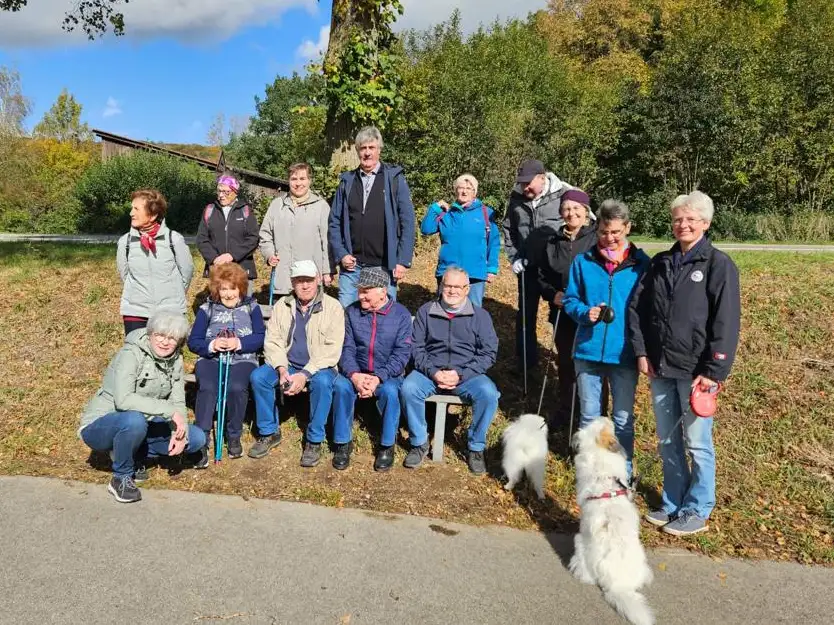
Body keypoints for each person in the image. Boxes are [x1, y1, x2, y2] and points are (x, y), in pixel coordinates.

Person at [629, 190, 740, 537]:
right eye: (678, 219)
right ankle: (673, 501)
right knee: (667, 441)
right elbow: (637, 309)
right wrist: (641, 352)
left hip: (695, 373)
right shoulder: (660, 263)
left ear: (705, 224)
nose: (684, 224)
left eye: (691, 219)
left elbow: (726, 322)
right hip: (661, 367)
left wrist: (713, 371)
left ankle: (697, 508)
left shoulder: (719, 265)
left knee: (698, 444)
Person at [562, 200, 650, 478]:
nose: (609, 238)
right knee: (589, 417)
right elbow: (570, 299)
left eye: (615, 232)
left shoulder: (642, 265)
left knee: (622, 419)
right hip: (587, 351)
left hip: (623, 353)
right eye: (603, 232)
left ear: (627, 228)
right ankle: (590, 470)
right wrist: (583, 312)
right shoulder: (583, 262)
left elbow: (649, 309)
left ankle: (622, 471)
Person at [78, 312, 205, 503]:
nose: (164, 342)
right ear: (150, 334)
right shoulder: (130, 354)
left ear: (179, 342)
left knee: (196, 438)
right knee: (133, 420)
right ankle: (121, 477)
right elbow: (124, 400)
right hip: (103, 425)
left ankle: (133, 453)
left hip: (144, 424)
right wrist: (168, 411)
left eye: (171, 338)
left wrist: (180, 431)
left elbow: (177, 402)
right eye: (160, 335)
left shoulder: (176, 360)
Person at [400, 267, 500, 474]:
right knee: (409, 388)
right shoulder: (426, 311)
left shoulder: (480, 316)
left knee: (489, 394)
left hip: (466, 375)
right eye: (448, 286)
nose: (452, 291)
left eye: (457, 287)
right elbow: (416, 348)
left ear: (467, 289)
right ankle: (419, 442)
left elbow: (488, 353)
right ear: (440, 286)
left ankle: (475, 447)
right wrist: (434, 372)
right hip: (430, 372)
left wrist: (461, 374)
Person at [249, 260, 345, 467]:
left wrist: (305, 374)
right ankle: (269, 431)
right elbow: (273, 341)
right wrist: (282, 369)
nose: (305, 285)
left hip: (319, 366)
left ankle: (314, 439)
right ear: (292, 282)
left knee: (322, 383)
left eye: (309, 280)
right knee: (259, 377)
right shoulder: (282, 305)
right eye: (299, 280)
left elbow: (332, 349)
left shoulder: (333, 307)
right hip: (288, 362)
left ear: (318, 280)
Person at [331, 267, 413, 471]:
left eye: (366, 291)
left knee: (390, 391)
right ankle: (342, 442)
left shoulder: (401, 315)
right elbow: (346, 347)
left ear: (383, 291)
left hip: (388, 373)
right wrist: (354, 375)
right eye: (359, 290)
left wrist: (379, 377)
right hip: (356, 370)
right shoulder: (351, 312)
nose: (361, 295)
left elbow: (402, 354)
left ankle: (387, 445)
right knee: (341, 386)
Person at [187, 263, 265, 464]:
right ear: (217, 290)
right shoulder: (207, 309)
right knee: (208, 387)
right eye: (223, 289)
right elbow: (194, 341)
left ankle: (233, 435)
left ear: (240, 288)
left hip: (243, 358)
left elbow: (260, 337)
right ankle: (201, 440)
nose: (229, 294)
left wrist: (238, 343)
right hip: (211, 359)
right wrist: (212, 345)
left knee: (237, 387)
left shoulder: (251, 307)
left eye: (233, 288)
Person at [328, 126, 416, 307]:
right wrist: (341, 254)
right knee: (346, 316)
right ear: (357, 151)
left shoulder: (393, 179)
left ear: (379, 149)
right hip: (352, 266)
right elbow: (334, 222)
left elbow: (407, 220)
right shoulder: (347, 181)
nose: (367, 153)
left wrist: (402, 260)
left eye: (371, 148)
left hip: (382, 265)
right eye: (363, 148)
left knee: (382, 318)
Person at [503, 159, 575, 371]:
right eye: (522, 183)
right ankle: (526, 364)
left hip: (556, 269)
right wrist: (514, 257)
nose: (525, 187)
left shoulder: (563, 194)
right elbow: (509, 230)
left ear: (542, 178)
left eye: (529, 183)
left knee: (560, 315)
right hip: (527, 267)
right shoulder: (516, 198)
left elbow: (581, 224)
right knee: (525, 316)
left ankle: (566, 365)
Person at [536, 189, 597, 426]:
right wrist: (553, 294)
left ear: (585, 211)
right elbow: (542, 277)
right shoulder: (553, 242)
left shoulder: (595, 238)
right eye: (566, 209)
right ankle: (567, 408)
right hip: (562, 312)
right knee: (566, 363)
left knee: (591, 365)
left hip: (591, 313)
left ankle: (593, 413)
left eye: (576, 209)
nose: (571, 213)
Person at [116, 189, 194, 335]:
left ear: (152, 215)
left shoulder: (174, 239)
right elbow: (124, 275)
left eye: (136, 209)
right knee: (136, 355)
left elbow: (187, 272)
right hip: (135, 311)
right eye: (131, 208)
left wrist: (174, 294)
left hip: (170, 311)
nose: (131, 213)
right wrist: (138, 294)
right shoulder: (125, 242)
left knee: (169, 356)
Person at [420, 173, 500, 306]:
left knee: (473, 314)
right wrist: (435, 207)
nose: (464, 191)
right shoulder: (446, 213)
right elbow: (426, 229)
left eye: (469, 188)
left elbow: (494, 242)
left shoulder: (486, 213)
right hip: (447, 272)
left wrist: (492, 268)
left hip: (474, 273)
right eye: (460, 188)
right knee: (444, 311)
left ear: (475, 192)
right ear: (456, 190)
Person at [259, 162, 335, 300]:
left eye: (302, 179)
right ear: (288, 181)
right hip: (283, 279)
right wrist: (269, 254)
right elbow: (265, 235)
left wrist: (327, 271)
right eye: (294, 179)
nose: (298, 183)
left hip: (310, 281)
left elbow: (328, 242)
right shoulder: (277, 205)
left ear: (309, 180)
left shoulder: (321, 206)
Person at [196, 172, 259, 295]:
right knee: (219, 309)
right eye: (219, 191)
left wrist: (232, 255)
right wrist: (215, 259)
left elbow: (253, 238)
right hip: (217, 269)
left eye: (226, 192)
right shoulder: (210, 210)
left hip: (242, 269)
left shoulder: (245, 210)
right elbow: (201, 238)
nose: (221, 195)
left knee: (243, 309)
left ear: (235, 191)